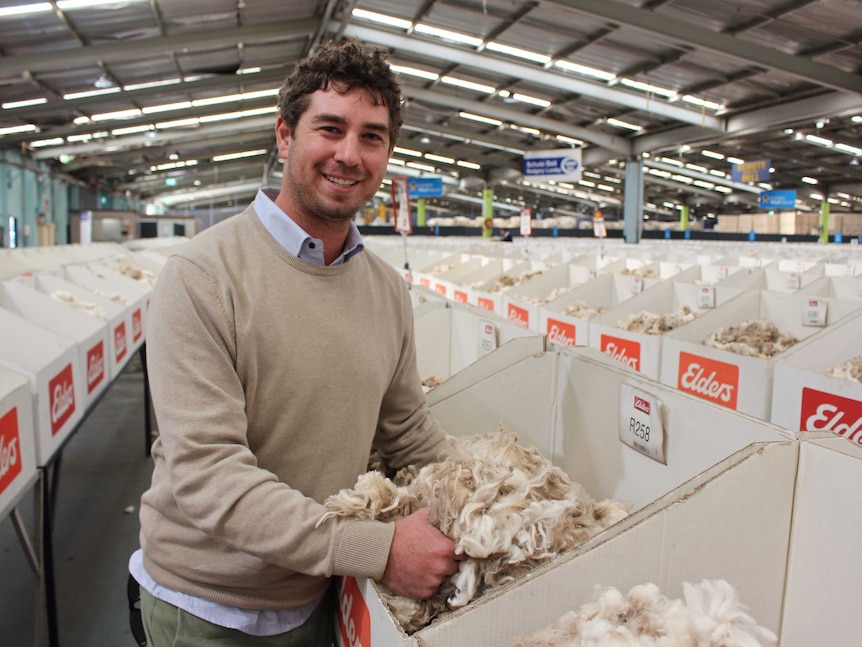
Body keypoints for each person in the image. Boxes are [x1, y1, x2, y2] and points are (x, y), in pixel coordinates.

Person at [129, 39, 462, 646]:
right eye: (329, 128)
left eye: (372, 137)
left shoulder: (386, 289)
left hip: (324, 595)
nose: (348, 155)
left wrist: (484, 504)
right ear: (285, 136)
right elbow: (208, 475)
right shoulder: (203, 276)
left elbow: (406, 429)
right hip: (211, 609)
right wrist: (381, 549)